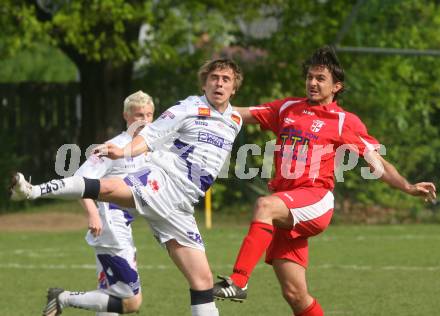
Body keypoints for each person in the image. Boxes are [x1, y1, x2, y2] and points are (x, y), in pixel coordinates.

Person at [212, 46, 437, 316]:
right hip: (286, 204)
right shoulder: (287, 108)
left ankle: (238, 282)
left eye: (320, 78)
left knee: (264, 205)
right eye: (310, 77)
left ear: (336, 86)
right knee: (295, 295)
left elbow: (376, 161)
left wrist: (407, 186)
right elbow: (239, 113)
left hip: (314, 198)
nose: (312, 83)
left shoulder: (344, 121)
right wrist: (207, 104)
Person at [10, 58, 244, 316]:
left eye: (226, 79)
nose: (219, 83)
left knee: (202, 282)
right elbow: (149, 137)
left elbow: (255, 112)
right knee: (108, 189)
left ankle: (69, 298)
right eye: (214, 78)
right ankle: (33, 191)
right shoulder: (187, 108)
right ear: (204, 84)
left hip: (181, 206)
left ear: (234, 87)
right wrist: (122, 152)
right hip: (162, 183)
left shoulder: (234, 118)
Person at [55, 90, 154, 316]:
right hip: (110, 225)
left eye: (149, 115)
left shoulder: (148, 146)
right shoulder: (112, 146)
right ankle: (62, 298)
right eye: (139, 115)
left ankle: (62, 299)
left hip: (122, 226)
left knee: (111, 291)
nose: (145, 120)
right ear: (126, 116)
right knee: (130, 297)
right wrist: (93, 214)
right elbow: (80, 182)